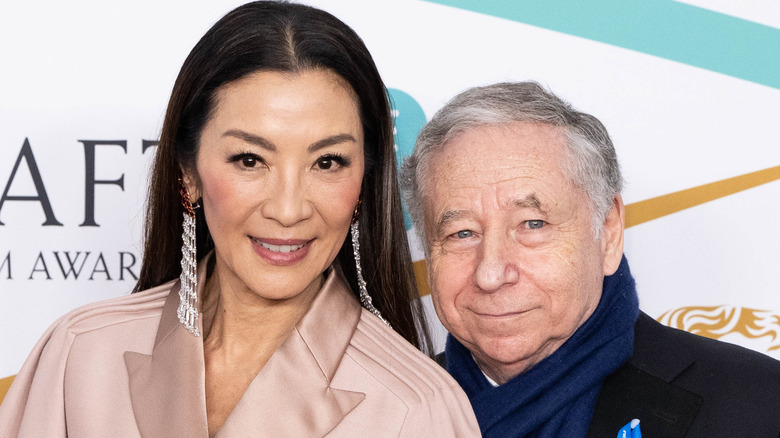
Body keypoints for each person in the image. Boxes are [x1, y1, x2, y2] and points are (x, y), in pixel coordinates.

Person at [0, 2, 480, 436]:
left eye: (327, 162)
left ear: (364, 183)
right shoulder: (78, 357)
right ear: (188, 173)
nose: (288, 209)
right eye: (250, 160)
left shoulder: (418, 410)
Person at [401, 81, 780, 437]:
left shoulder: (759, 406)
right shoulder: (387, 413)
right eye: (461, 233)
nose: (491, 273)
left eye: (533, 224)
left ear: (609, 232)